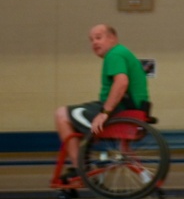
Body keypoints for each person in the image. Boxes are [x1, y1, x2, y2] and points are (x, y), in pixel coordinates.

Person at [54, 24, 149, 177]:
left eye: (99, 37)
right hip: (135, 111)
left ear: (112, 38)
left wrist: (104, 113)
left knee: (62, 114)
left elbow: (121, 82)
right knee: (79, 116)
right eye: (91, 40)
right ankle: (146, 178)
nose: (94, 43)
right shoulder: (123, 53)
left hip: (121, 111)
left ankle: (80, 169)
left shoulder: (115, 54)